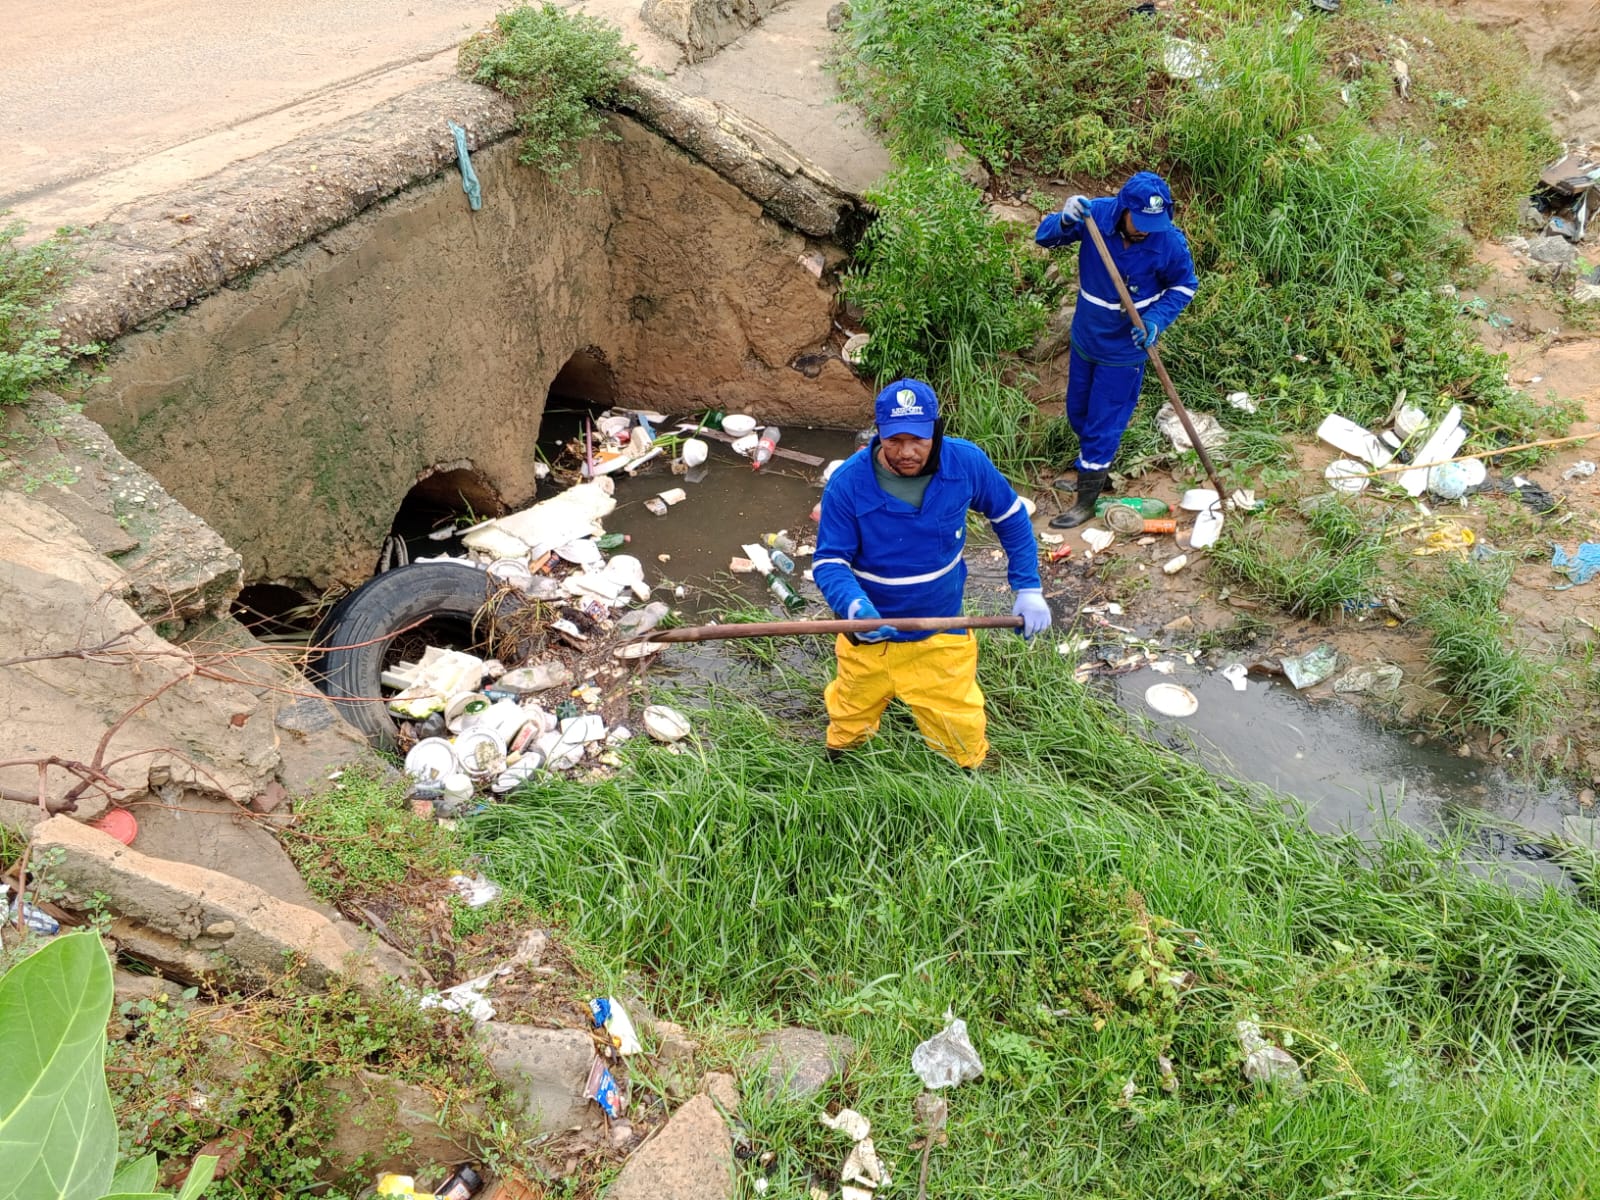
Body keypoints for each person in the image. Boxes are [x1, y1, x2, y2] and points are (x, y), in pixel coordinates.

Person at [813, 379, 1052, 769]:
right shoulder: (847, 484)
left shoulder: (966, 463)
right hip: (871, 637)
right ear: (878, 433)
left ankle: (963, 777)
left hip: (941, 628)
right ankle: (841, 764)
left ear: (936, 430)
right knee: (850, 712)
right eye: (894, 440)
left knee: (959, 724)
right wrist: (854, 607)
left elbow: (1011, 519)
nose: (906, 452)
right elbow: (830, 562)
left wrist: (1028, 585)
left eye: (917, 440)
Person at [1034, 171, 1198, 528]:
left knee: (1104, 421)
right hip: (1087, 338)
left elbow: (1185, 286)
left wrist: (1154, 321)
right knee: (1079, 413)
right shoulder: (1096, 218)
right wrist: (1063, 219)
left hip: (1126, 348)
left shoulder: (1167, 241)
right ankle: (1097, 472)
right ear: (1123, 209)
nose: (1145, 230)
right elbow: (1044, 237)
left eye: (1154, 223)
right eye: (1140, 221)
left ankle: (1087, 500)